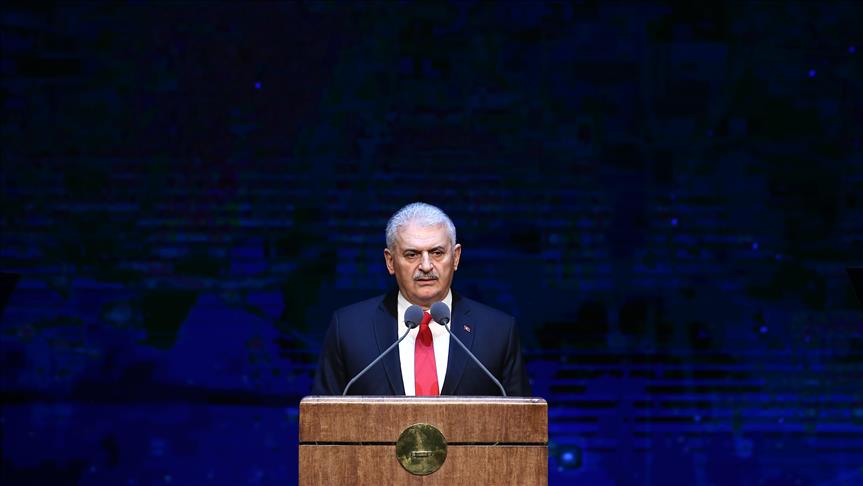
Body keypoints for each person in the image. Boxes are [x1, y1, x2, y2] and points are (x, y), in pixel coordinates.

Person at [312, 202, 532, 396]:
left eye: (437, 253)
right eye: (412, 254)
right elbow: (322, 421)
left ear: (456, 257)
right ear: (390, 261)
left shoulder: (498, 331)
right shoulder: (349, 329)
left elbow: (521, 422)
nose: (426, 266)